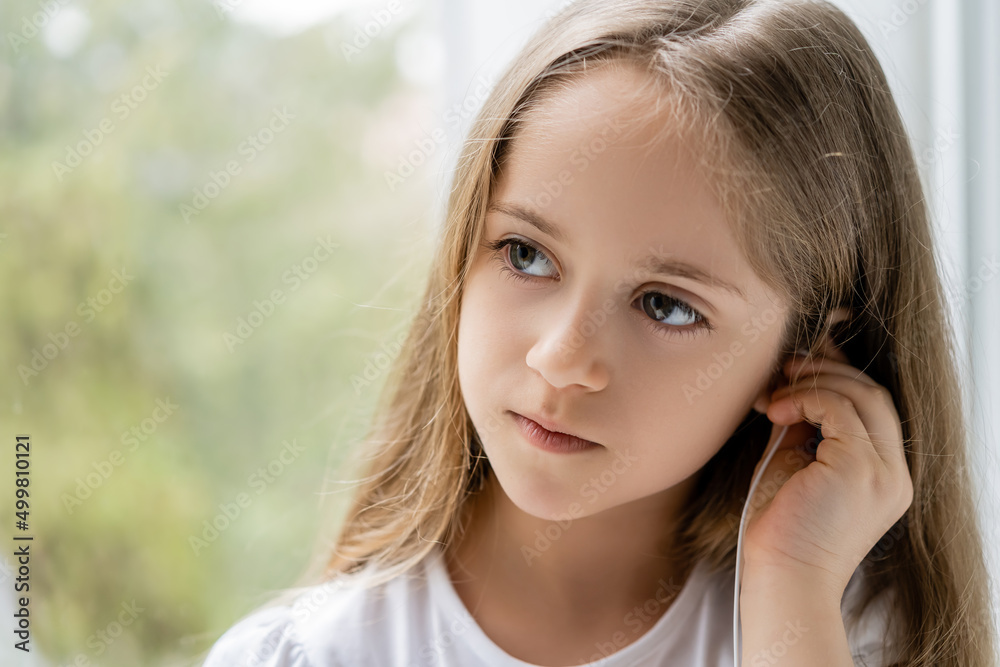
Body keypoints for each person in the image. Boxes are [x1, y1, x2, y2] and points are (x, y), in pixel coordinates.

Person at [201, 0, 997, 665]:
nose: (562, 357)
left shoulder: (847, 634)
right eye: (525, 254)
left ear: (805, 350)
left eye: (666, 305)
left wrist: (793, 582)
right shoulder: (309, 654)